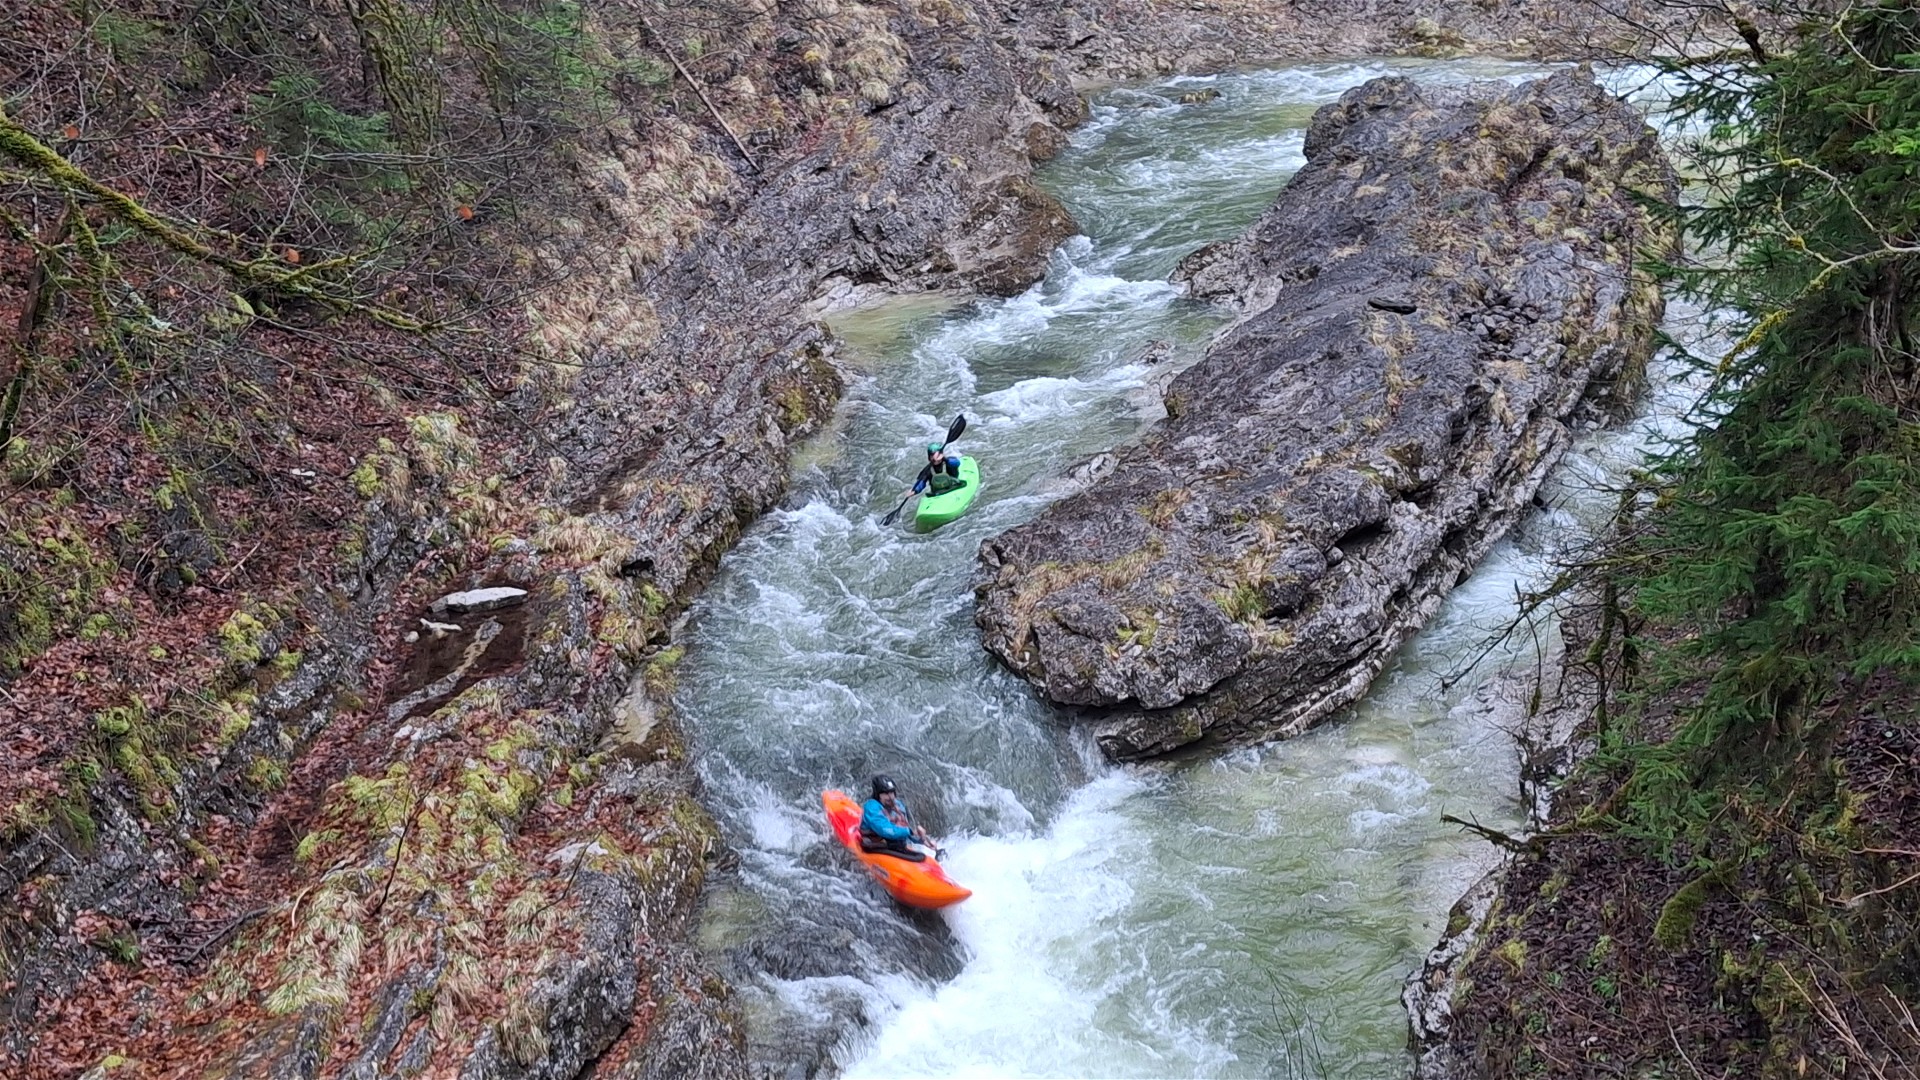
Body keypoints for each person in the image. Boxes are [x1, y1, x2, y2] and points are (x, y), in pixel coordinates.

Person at [860, 774, 930, 861]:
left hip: (894, 845)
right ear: (878, 795)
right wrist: (911, 831)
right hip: (876, 844)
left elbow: (907, 830)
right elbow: (886, 830)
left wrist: (921, 838)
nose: (890, 797)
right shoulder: (871, 807)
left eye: (892, 792)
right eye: (885, 793)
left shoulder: (898, 805)